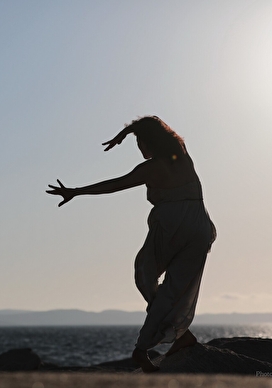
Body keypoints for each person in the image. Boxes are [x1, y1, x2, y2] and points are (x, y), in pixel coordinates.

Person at [47, 116, 216, 372]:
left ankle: (145, 348)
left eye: (140, 143)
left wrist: (76, 191)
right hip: (200, 226)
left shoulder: (151, 168)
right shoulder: (183, 158)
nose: (139, 149)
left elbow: (114, 185)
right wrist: (125, 133)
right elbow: (153, 122)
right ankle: (178, 337)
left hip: (173, 225)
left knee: (145, 274)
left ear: (150, 143)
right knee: (173, 288)